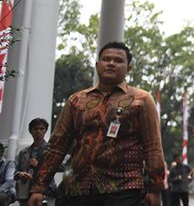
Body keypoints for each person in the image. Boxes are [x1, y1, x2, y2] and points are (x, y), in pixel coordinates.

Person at [29, 41, 165, 206]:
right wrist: (39, 187)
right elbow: (57, 145)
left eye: (118, 60)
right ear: (97, 65)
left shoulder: (142, 100)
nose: (111, 63)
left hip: (123, 189)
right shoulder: (76, 100)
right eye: (106, 59)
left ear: (129, 68)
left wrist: (155, 189)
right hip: (76, 189)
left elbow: (153, 147)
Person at [15, 118, 56, 206]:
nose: (38, 131)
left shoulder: (51, 150)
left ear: (45, 131)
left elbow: (61, 167)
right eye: (35, 129)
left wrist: (39, 165)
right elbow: (16, 172)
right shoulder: (24, 152)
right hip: (25, 191)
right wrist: (20, 174)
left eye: (42, 129)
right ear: (31, 131)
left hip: (45, 190)